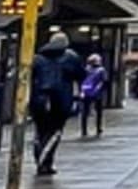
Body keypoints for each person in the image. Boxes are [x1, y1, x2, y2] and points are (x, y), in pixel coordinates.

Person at [29, 32, 84, 175]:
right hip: (60, 99)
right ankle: (45, 161)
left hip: (38, 100)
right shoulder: (71, 57)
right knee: (55, 132)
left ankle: (41, 160)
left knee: (40, 131)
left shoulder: (37, 58)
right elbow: (80, 74)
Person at [77, 51, 109, 139]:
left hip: (86, 92)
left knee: (85, 112)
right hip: (97, 93)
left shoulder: (85, 69)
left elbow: (80, 80)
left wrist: (81, 91)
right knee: (98, 112)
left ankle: (84, 131)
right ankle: (98, 129)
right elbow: (105, 81)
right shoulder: (101, 70)